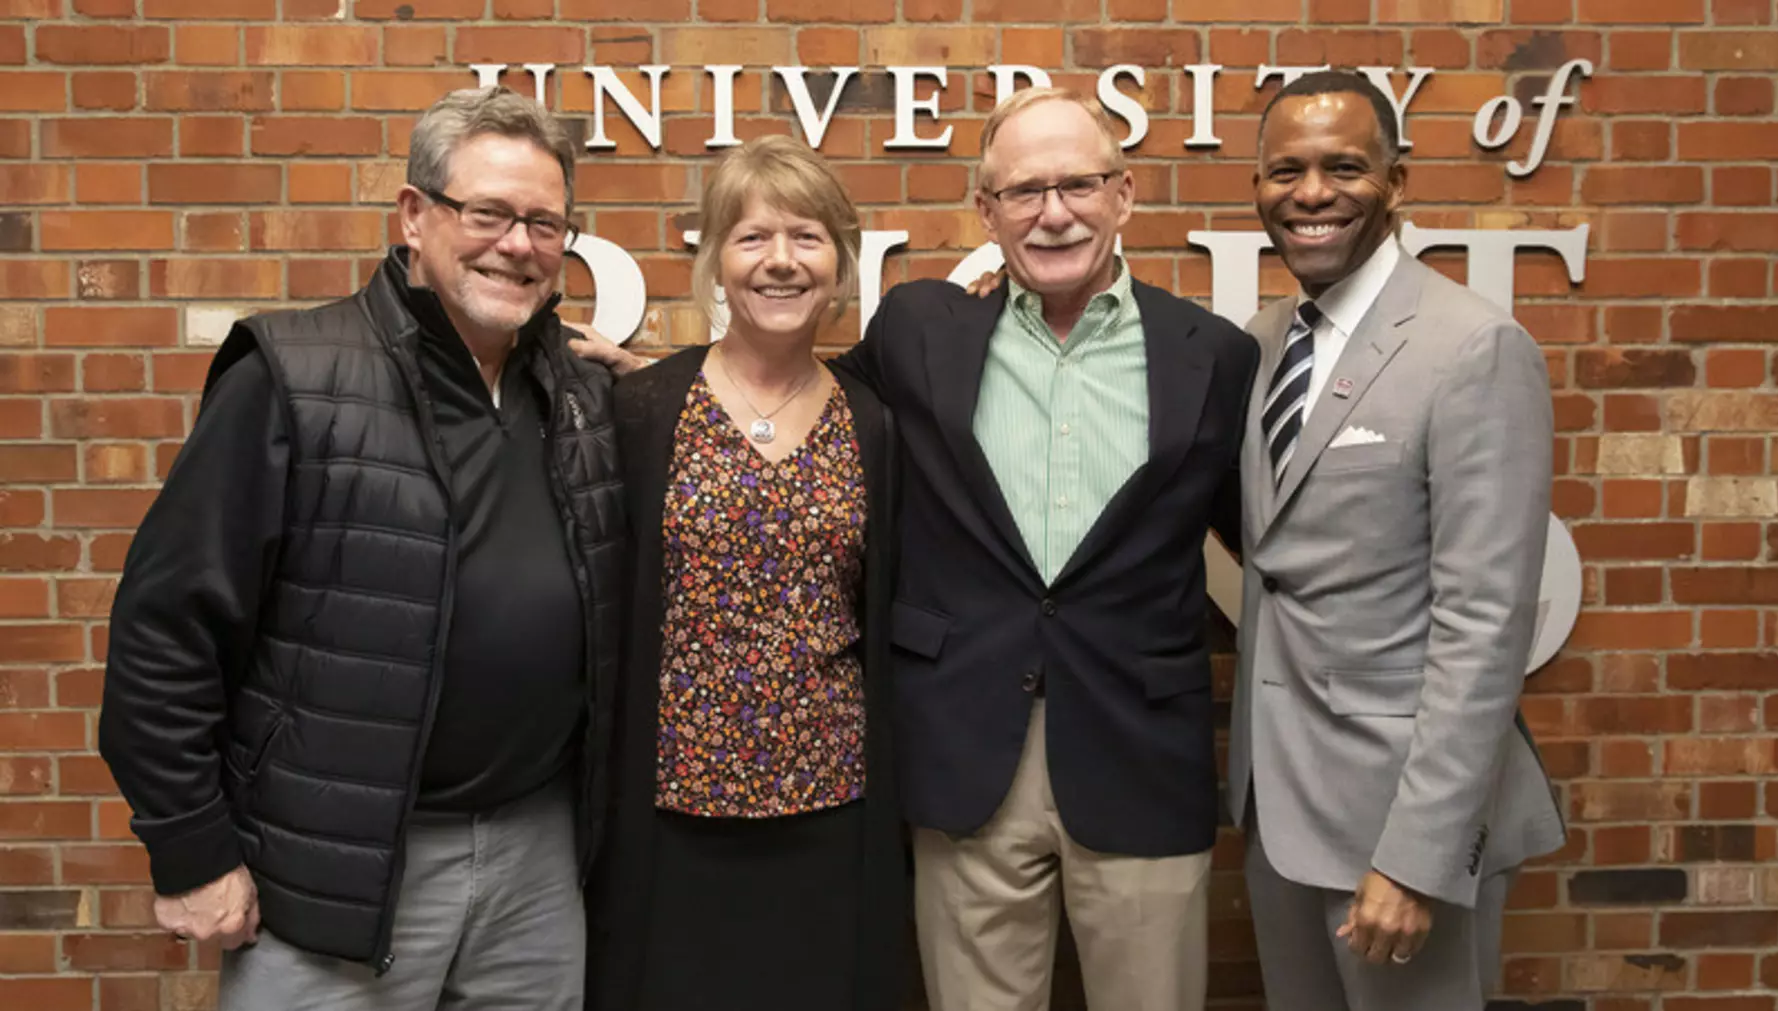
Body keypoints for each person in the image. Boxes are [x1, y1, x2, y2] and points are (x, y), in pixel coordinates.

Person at [97, 87, 624, 1011]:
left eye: (546, 223)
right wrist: (192, 847)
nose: (519, 243)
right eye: (489, 212)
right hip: (334, 868)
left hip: (535, 863)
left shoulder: (579, 395)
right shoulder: (292, 376)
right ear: (415, 217)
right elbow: (164, 631)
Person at [848, 88, 1254, 1011]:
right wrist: (668, 382)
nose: (1054, 211)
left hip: (1140, 752)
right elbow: (800, 404)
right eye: (1024, 191)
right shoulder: (919, 332)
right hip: (965, 755)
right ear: (986, 212)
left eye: (1078, 183)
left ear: (1125, 193)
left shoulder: (1214, 356)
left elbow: (1273, 536)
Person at [1228, 70, 1567, 1011]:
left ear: (1398, 182)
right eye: (1284, 170)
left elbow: (1486, 621)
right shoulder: (1259, 345)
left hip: (1398, 831)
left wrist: (1417, 858)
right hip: (1277, 812)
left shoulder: (1472, 348)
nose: (1310, 193)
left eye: (1344, 167)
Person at [586, 134, 904, 1011]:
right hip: (671, 814)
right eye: (752, 236)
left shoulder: (873, 421)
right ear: (716, 261)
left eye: (806, 237)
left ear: (840, 261)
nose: (780, 261)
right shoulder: (646, 408)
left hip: (832, 811)